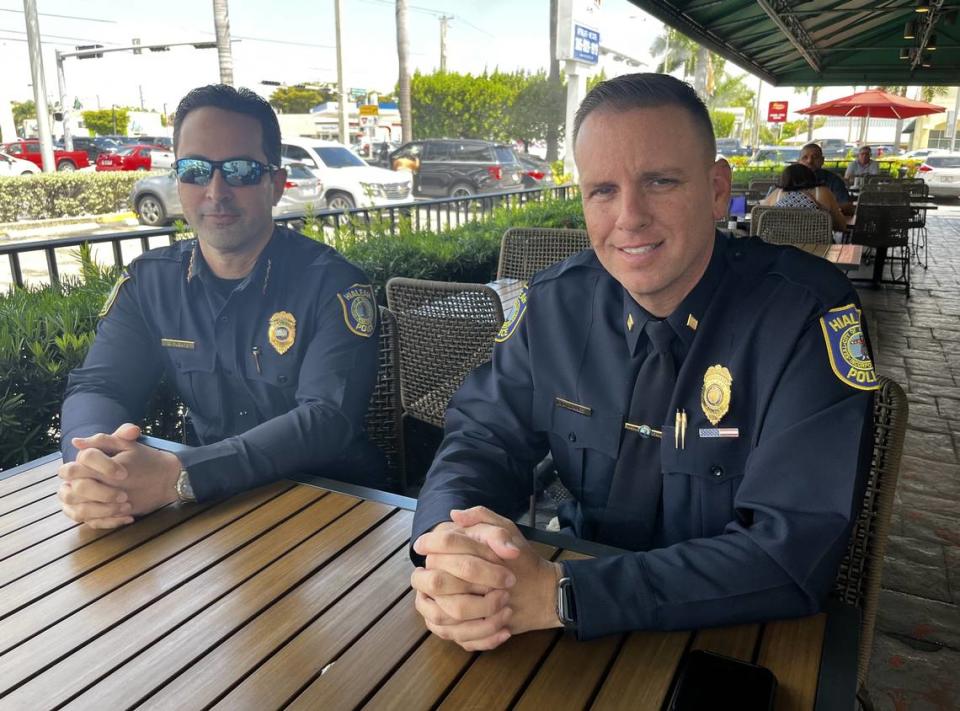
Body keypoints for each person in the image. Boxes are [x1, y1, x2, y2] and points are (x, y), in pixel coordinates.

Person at [409, 73, 876, 650]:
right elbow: (480, 437)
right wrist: (449, 545)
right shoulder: (557, 304)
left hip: (732, 628)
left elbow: (790, 550)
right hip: (560, 624)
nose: (629, 216)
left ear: (713, 188)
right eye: (602, 190)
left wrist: (564, 593)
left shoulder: (805, 315)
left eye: (659, 181)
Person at [58, 84, 386, 529]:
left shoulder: (333, 284)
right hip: (208, 513)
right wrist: (97, 465)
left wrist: (183, 475)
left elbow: (326, 419)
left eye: (241, 170)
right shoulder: (150, 283)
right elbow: (99, 386)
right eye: (194, 169)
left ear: (276, 184)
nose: (216, 190)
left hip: (331, 506)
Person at [761, 162, 847, 232]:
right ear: (811, 176)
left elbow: (760, 220)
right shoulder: (823, 192)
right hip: (818, 247)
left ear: (784, 178)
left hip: (780, 247)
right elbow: (841, 226)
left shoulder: (776, 193)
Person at [798, 142, 854, 215]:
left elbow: (847, 206)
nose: (810, 161)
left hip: (825, 223)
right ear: (799, 161)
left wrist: (818, 210)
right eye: (805, 157)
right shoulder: (790, 180)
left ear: (822, 160)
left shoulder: (833, 180)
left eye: (815, 157)